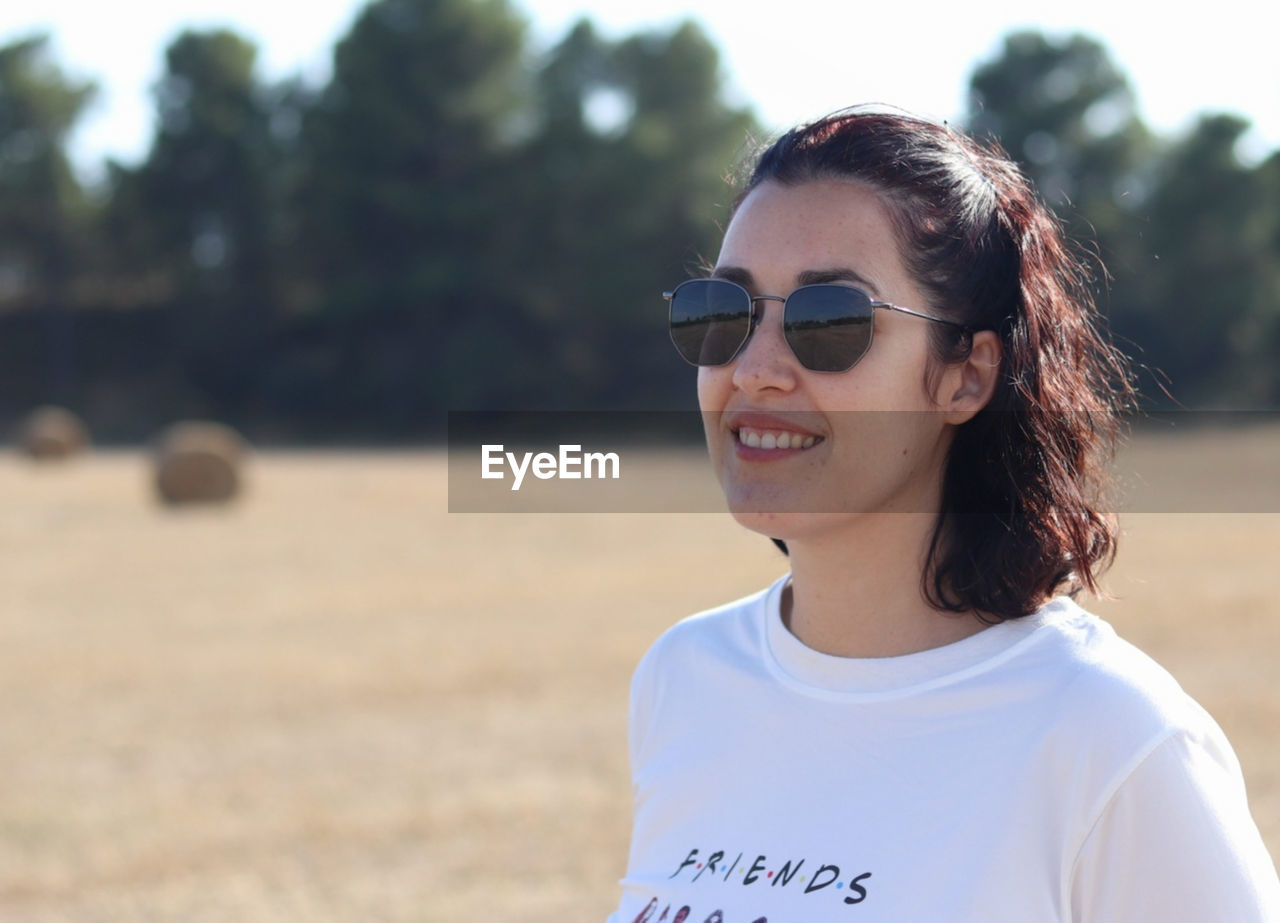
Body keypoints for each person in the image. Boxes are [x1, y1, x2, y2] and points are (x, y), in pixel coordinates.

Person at [608, 108, 1280, 922]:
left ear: (965, 375)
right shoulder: (687, 677)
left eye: (830, 320)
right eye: (723, 313)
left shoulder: (1107, 737)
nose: (755, 369)